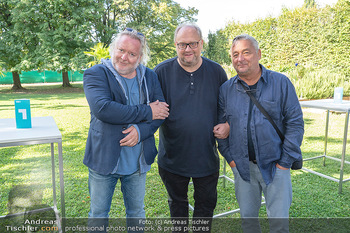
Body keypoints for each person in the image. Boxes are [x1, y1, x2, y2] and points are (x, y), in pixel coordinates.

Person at [83, 28, 169, 232]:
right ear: (113, 49)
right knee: (98, 215)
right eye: (121, 50)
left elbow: (161, 112)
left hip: (137, 162)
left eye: (132, 54)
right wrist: (147, 111)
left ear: (140, 57)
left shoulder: (149, 76)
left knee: (137, 213)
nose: (125, 57)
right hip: (104, 159)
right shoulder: (96, 73)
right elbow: (104, 109)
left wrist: (141, 131)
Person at [217, 34, 304, 233]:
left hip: (276, 166)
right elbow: (220, 127)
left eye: (246, 52)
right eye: (235, 54)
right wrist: (232, 161)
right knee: (248, 223)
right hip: (242, 169)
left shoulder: (281, 83)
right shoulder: (225, 90)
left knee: (279, 225)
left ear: (258, 54)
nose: (240, 59)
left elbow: (295, 124)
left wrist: (284, 164)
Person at [154, 22, 228, 232]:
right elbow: (149, 108)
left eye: (193, 44)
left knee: (205, 207)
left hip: (206, 157)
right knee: (177, 206)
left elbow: (226, 109)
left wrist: (227, 124)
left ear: (201, 43)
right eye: (182, 45)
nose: (187, 49)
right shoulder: (160, 72)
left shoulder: (217, 72)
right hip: (172, 158)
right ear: (175, 46)